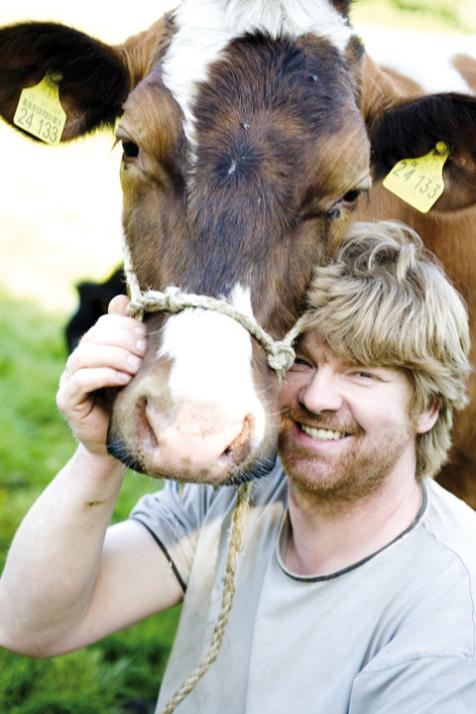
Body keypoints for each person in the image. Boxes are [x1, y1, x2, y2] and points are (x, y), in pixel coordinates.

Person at [1, 221, 475, 713]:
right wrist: (99, 454)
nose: (317, 397)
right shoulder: (240, 493)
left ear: (428, 408)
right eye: (303, 361)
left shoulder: (451, 613)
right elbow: (28, 624)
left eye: (363, 374)